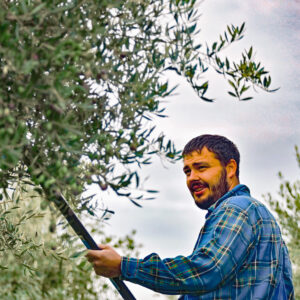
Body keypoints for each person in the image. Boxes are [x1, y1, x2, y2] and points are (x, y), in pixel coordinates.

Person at [86, 134, 294, 299]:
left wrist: (123, 266)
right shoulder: (256, 216)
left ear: (230, 168)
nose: (192, 178)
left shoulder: (238, 208)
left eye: (201, 167)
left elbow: (206, 271)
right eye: (187, 171)